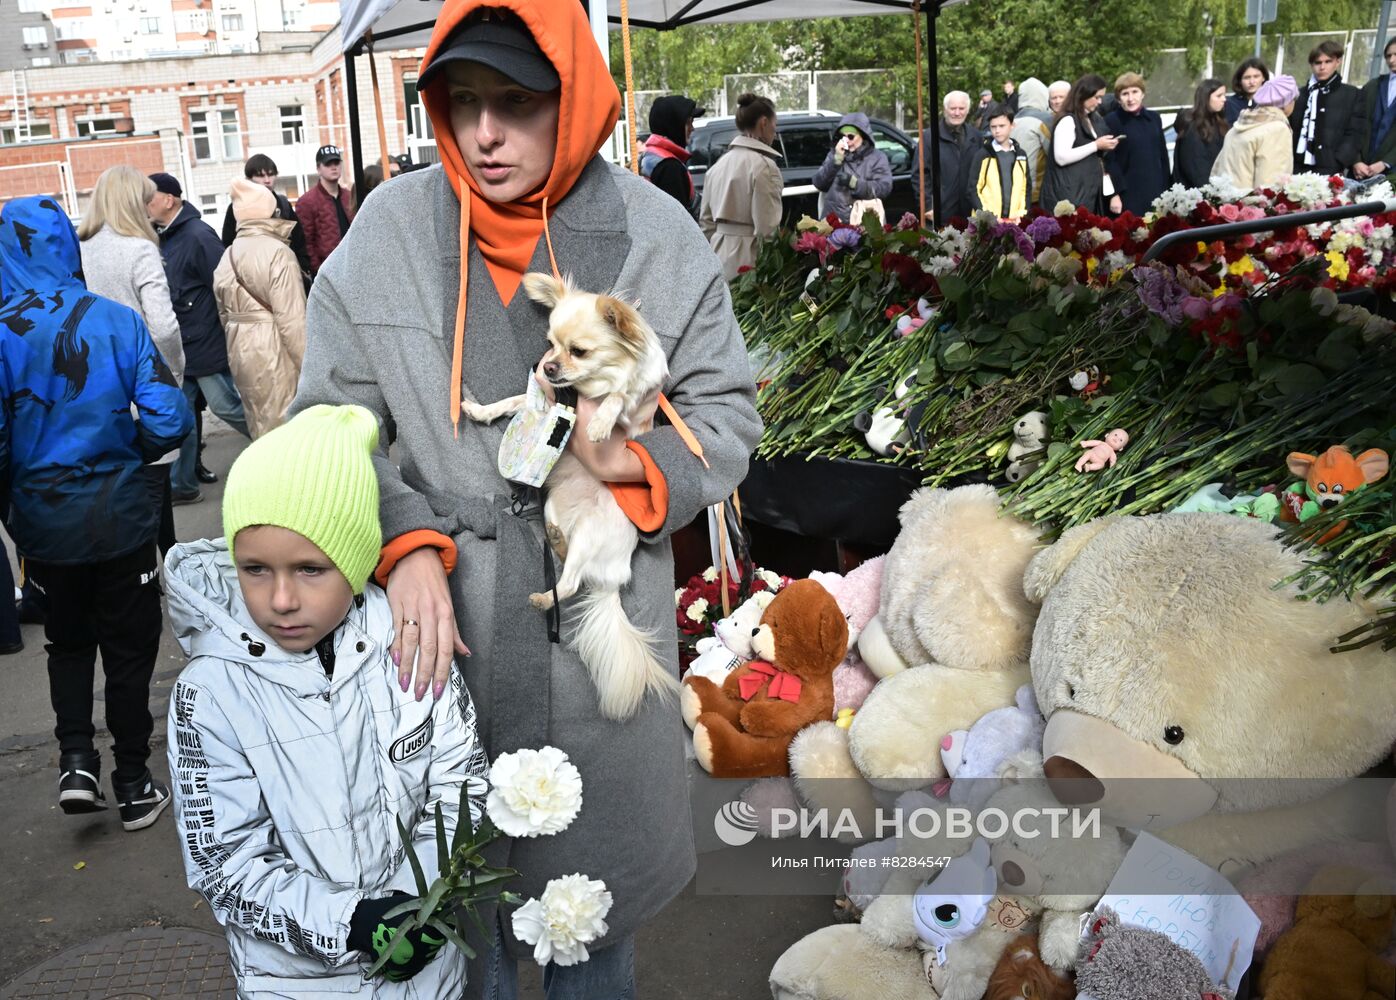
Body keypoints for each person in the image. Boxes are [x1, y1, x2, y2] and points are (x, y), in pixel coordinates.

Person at [289, 3, 760, 998]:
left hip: (597, 623)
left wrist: (625, 466)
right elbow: (329, 419)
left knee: (592, 923)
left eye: (515, 102)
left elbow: (724, 411)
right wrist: (405, 538)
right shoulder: (387, 231)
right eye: (463, 103)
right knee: (466, 934)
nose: (482, 133)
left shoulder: (652, 231)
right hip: (441, 635)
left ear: (574, 101)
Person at [166, 404, 487, 997]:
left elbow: (461, 783)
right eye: (255, 569)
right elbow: (224, 861)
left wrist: (420, 904)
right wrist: (355, 925)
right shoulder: (209, 694)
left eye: (311, 569)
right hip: (295, 984)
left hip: (427, 976)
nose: (281, 598)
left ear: (358, 559)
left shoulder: (409, 642)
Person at [0, 196, 192, 830]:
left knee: (67, 643)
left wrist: (21, 490)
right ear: (67, 247)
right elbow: (170, 420)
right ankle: (134, 780)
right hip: (121, 516)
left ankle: (76, 761)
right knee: (131, 650)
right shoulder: (115, 321)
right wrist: (122, 453)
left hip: (44, 521)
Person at [78, 165, 186, 556]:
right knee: (154, 485)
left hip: (95, 385)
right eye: (143, 201)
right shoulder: (139, 248)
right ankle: (154, 575)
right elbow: (163, 327)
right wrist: (173, 372)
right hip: (143, 383)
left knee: (122, 488)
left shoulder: (80, 247)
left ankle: (157, 563)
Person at [146, 171, 251, 506]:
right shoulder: (166, 234)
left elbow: (225, 285)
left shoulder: (197, 235)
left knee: (226, 406)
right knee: (184, 414)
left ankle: (282, 447)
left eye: (149, 196)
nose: (144, 203)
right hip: (185, 346)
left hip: (204, 343)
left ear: (169, 199)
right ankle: (183, 484)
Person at [213, 178, 307, 438]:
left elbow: (223, 313)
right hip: (274, 345)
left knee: (258, 423)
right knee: (287, 429)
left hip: (239, 349)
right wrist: (311, 368)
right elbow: (293, 321)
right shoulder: (278, 252)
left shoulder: (227, 255)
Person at [698, 92, 783, 280]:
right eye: (774, 124)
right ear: (763, 123)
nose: (775, 131)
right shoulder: (764, 166)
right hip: (749, 262)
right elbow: (767, 231)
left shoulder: (718, 166)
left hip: (717, 256)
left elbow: (706, 223)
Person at [219, 153, 312, 288]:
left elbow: (299, 240)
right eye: (261, 176)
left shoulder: (283, 204)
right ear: (249, 179)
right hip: (251, 279)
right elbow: (228, 244)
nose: (267, 180)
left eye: (271, 174)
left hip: (286, 274)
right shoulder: (237, 208)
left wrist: (303, 268)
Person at [1039, 74, 1119, 215]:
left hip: (1086, 195)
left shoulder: (1092, 118)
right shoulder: (1068, 120)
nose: (1100, 102)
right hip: (1068, 199)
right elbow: (1061, 157)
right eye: (1097, 97)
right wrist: (1096, 145)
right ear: (1084, 95)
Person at [1290, 40, 1363, 176]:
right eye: (1318, 63)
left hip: (1331, 168)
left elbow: (1355, 132)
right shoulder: (1298, 94)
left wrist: (1339, 160)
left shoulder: (1352, 94)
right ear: (1311, 65)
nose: (1322, 67)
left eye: (1328, 61)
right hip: (1297, 166)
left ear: (1338, 62)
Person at [1214, 74, 1298, 192]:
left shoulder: (1237, 127)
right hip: (1253, 207)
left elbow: (1216, 172)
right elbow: (1271, 185)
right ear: (1286, 103)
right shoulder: (1277, 129)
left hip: (1227, 204)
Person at [1103, 72, 1170, 216]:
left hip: (1155, 191)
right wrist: (1114, 195)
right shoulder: (1112, 121)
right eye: (1125, 94)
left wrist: (1167, 191)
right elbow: (1109, 161)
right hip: (1127, 195)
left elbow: (1163, 156)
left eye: (1135, 92)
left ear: (1143, 94)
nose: (1131, 98)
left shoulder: (1154, 118)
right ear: (1118, 98)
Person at [911, 91, 982, 222]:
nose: (957, 113)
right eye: (953, 108)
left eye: (961, 108)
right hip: (941, 214)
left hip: (972, 213)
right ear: (945, 110)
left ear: (967, 110)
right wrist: (928, 206)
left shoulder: (976, 137)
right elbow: (919, 174)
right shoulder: (929, 137)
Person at [812, 113, 894, 225]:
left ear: (863, 135)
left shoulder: (877, 157)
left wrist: (855, 183)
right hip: (835, 223)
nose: (846, 141)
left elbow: (884, 188)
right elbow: (819, 183)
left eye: (850, 136)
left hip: (865, 224)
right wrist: (836, 161)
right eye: (843, 136)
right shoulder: (834, 154)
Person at [642, 94, 705, 218]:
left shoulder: (650, 157)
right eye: (689, 123)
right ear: (674, 125)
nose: (692, 129)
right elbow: (678, 222)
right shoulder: (670, 168)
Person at [297, 145, 357, 274]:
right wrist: (319, 271)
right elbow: (307, 242)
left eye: (336, 163)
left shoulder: (349, 196)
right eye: (328, 163)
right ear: (318, 168)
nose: (334, 167)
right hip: (327, 271)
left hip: (353, 265)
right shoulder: (307, 202)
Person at [966, 103, 1029, 221]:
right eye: (993, 127)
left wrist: (1022, 214)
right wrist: (987, 217)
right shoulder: (983, 155)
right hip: (986, 222)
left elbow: (1025, 188)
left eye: (1001, 126)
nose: (997, 130)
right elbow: (972, 189)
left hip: (1015, 221)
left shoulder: (1021, 155)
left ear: (1012, 125)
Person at [1352, 36, 1396, 182]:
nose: (1391, 60)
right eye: (1388, 56)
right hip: (1361, 171)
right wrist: (1356, 160)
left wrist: (1385, 163)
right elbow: (1353, 124)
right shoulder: (1373, 86)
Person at [1173, 79, 1230, 188]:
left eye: (1224, 95)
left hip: (1218, 188)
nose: (1224, 99)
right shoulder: (1192, 126)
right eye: (1219, 96)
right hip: (1195, 194)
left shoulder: (1219, 122)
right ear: (1206, 98)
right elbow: (1194, 165)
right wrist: (1209, 192)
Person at [1010, 77, 1054, 205]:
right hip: (1036, 191)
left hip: (1013, 188)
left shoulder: (1011, 120)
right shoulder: (1046, 120)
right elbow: (1054, 154)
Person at [1225, 57, 1270, 126]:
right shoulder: (1229, 103)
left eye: (1256, 76)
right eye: (1247, 77)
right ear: (1240, 80)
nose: (1252, 82)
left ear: (1263, 77)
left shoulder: (1270, 103)